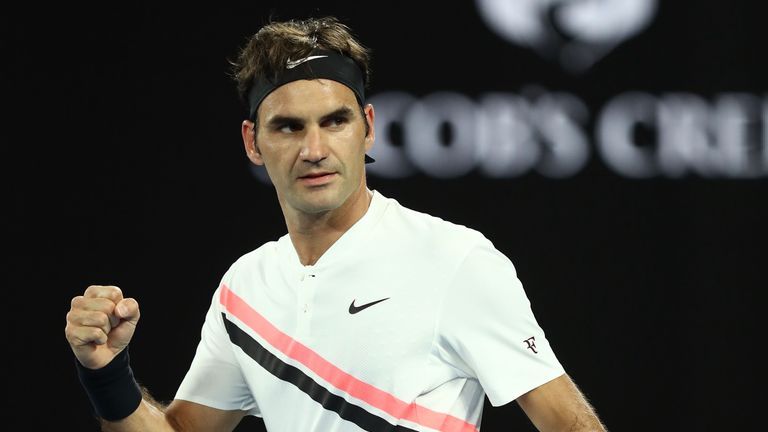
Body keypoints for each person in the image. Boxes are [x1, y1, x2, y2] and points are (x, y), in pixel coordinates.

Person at [65, 16, 607, 432]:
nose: (315, 149)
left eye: (335, 121)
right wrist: (107, 374)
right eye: (289, 127)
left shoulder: (454, 261)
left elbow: (570, 423)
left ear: (367, 129)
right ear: (253, 142)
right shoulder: (246, 288)